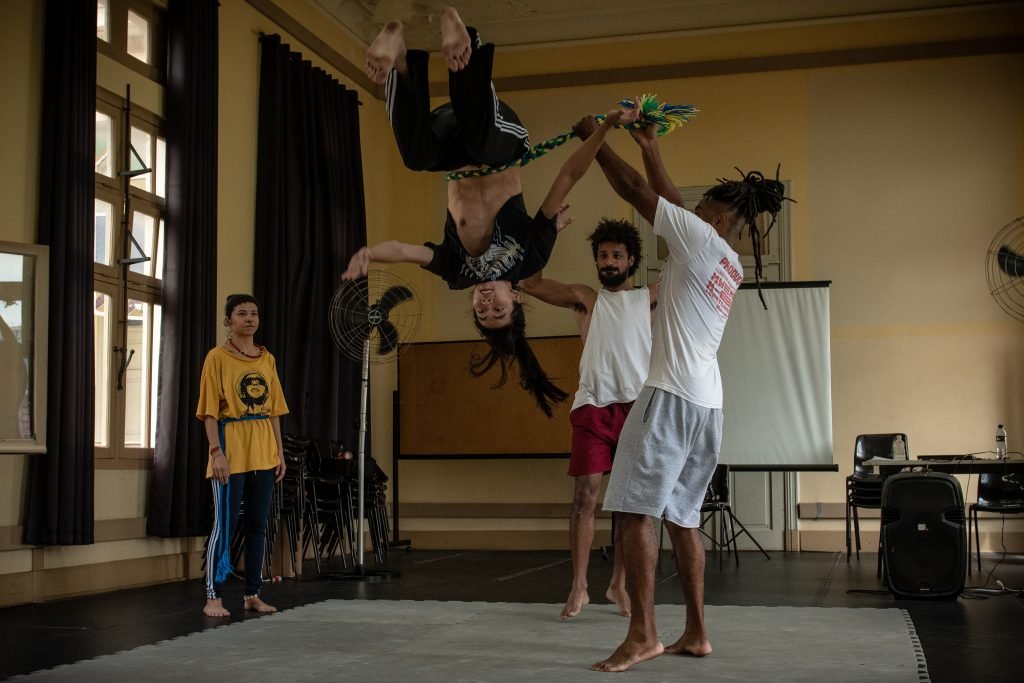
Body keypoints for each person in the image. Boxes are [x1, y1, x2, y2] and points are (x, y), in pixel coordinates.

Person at [570, 118, 788, 672]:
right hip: (708, 403)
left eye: (696, 210)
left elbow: (639, 194)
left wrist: (595, 141)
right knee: (683, 518)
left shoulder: (698, 239)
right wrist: (651, 146)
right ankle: (696, 631)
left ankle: (642, 634)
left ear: (712, 217)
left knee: (634, 513)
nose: (685, 213)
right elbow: (667, 201)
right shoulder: (727, 260)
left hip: (668, 394)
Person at [346, 8, 639, 415]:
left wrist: (370, 253)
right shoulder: (529, 258)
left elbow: (407, 251)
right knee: (484, 144)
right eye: (497, 309)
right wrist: (605, 127)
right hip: (500, 139)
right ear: (516, 298)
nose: (487, 303)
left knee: (415, 158)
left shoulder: (457, 270)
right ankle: (463, 49)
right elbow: (567, 177)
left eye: (482, 312)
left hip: (449, 143)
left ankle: (397, 58)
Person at [519, 219, 657, 619]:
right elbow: (530, 283)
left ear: (631, 259)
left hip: (637, 409)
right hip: (593, 407)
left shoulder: (648, 297)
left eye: (616, 255)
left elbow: (692, 276)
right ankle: (579, 585)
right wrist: (547, 233)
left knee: (630, 506)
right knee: (585, 496)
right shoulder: (584, 298)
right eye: (602, 255)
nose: (609, 262)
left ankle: (619, 586)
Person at [197, 294, 288, 618]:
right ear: (228, 321)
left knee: (257, 525)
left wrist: (279, 452)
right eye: (241, 313)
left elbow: (275, 410)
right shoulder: (217, 358)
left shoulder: (267, 359)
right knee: (225, 524)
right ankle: (213, 596)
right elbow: (209, 412)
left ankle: (252, 593)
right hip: (231, 448)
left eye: (254, 313)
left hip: (262, 450)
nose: (249, 319)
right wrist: (216, 453)